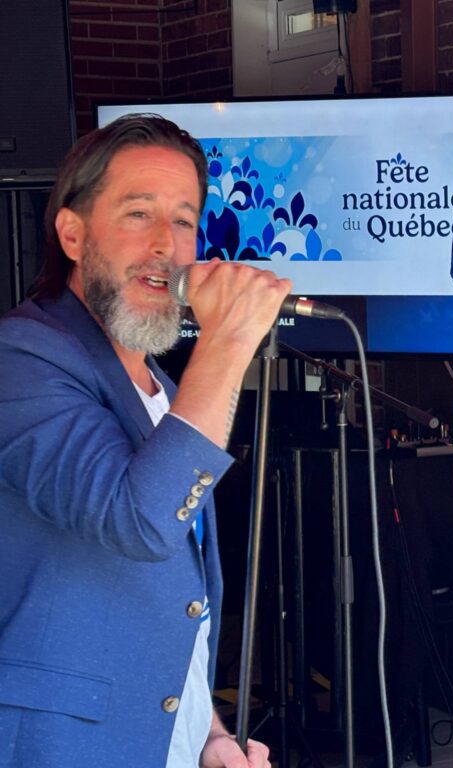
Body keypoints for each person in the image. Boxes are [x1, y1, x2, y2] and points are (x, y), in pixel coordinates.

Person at [0, 114, 293, 767]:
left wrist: (206, 729)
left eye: (186, 220)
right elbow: (136, 521)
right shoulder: (22, 357)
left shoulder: (160, 383)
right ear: (72, 234)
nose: (168, 242)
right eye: (139, 214)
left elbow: (168, 595)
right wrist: (226, 344)